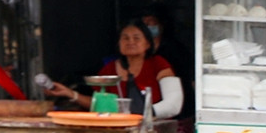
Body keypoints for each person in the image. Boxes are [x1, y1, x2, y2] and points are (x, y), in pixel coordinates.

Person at [46, 20, 184, 120]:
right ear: (119, 44)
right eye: (125, 38)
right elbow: (99, 104)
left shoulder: (158, 63)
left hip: (154, 129)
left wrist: (144, 114)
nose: (130, 42)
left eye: (136, 38)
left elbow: (173, 104)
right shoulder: (109, 69)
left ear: (147, 44)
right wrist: (70, 94)